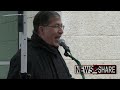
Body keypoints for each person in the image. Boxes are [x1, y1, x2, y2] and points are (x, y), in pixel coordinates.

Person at [7, 11, 73, 79]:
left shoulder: (55, 53)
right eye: (56, 26)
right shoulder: (24, 58)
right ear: (41, 30)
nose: (61, 31)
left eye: (61, 26)